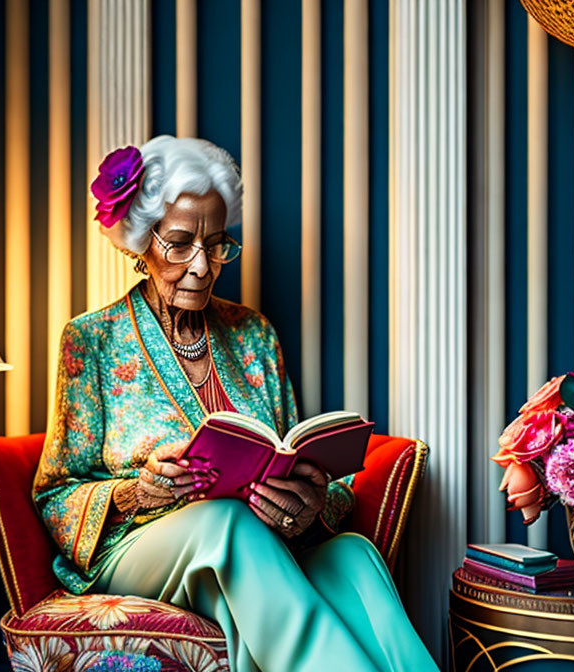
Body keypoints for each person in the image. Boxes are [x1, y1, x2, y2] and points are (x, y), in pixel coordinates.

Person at [32, 136, 438, 672]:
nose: (202, 266)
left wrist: (310, 505)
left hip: (258, 545)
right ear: (140, 242)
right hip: (137, 549)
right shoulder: (92, 340)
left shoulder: (254, 335)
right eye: (179, 244)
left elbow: (294, 454)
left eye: (217, 243)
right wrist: (137, 492)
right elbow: (56, 493)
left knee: (352, 556)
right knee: (227, 524)